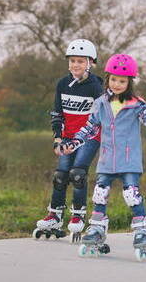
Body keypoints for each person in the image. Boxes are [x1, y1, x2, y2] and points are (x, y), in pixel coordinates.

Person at [61, 54, 146, 261]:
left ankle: (142, 229)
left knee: (131, 195)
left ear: (129, 83)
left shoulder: (137, 104)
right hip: (106, 159)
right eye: (113, 79)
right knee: (100, 192)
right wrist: (72, 142)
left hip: (128, 159)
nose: (117, 84)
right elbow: (89, 128)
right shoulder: (101, 103)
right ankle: (97, 228)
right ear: (107, 79)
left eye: (122, 81)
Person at [33, 39, 103, 242]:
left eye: (80, 61)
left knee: (78, 173)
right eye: (72, 61)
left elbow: (100, 116)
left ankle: (78, 216)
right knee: (61, 175)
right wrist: (58, 138)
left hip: (89, 137)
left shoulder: (96, 86)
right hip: (67, 137)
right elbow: (57, 114)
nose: (75, 65)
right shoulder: (63, 84)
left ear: (90, 63)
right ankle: (54, 216)